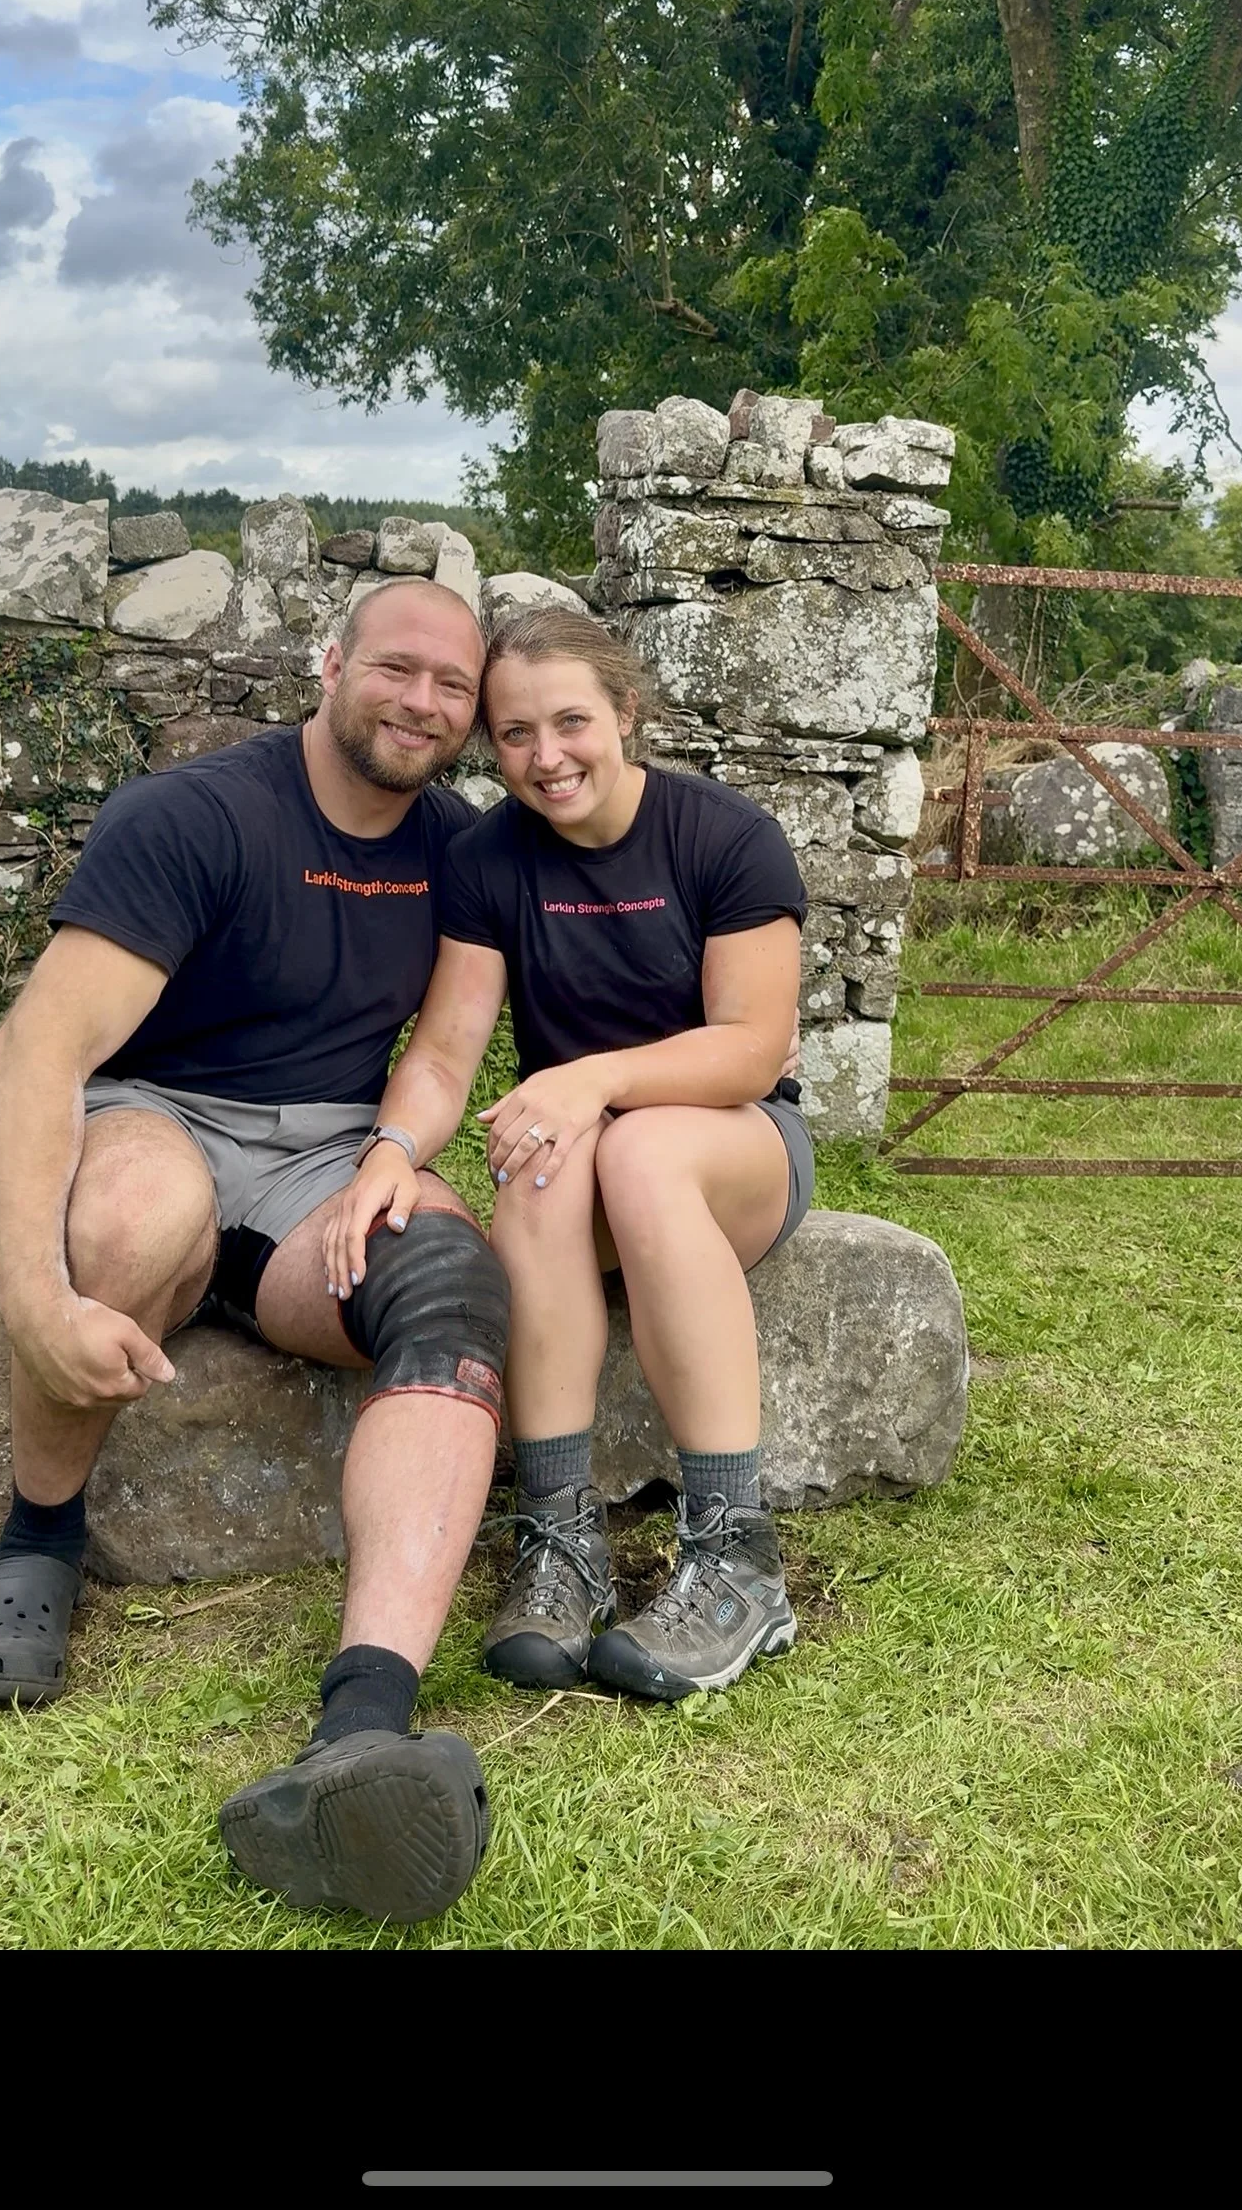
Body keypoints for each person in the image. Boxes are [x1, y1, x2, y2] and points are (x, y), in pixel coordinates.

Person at [0, 578, 512, 1929]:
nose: (423, 702)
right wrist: (29, 1296)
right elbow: (34, 1057)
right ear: (331, 659)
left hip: (327, 1160)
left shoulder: (460, 850)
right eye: (398, 668)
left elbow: (450, 1044)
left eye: (453, 687)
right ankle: (40, 1537)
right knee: (131, 1219)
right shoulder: (198, 815)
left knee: (450, 1278)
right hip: (158, 1113)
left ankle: (363, 1727)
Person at [323, 604, 815, 1703]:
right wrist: (394, 1148)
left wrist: (594, 1080)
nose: (546, 759)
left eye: (572, 723)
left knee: (635, 1155)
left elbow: (750, 1049)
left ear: (626, 713)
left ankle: (737, 1561)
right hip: (586, 1154)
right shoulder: (489, 857)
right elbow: (448, 1046)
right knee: (535, 1171)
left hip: (735, 1147)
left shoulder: (724, 836)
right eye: (512, 735)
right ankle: (560, 1540)